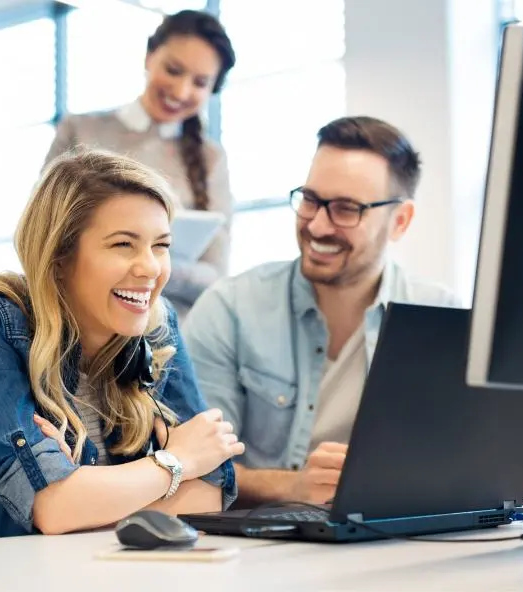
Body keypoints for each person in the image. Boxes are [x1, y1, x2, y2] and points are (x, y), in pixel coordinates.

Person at [0, 148, 242, 545]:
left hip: (82, 572)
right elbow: (54, 508)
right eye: (123, 245)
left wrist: (86, 493)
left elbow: (209, 493)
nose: (150, 267)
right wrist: (175, 461)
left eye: (160, 245)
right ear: (59, 255)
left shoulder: (156, 326)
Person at [181, 116, 459, 507]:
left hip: (399, 542)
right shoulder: (228, 309)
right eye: (310, 200)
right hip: (262, 552)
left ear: (399, 221)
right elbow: (195, 466)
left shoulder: (444, 318)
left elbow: (466, 467)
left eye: (346, 209)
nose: (318, 225)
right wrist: (293, 487)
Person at [43, 10, 236, 316]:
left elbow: (215, 275)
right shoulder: (80, 131)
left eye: (200, 82)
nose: (182, 91)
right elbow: (44, 234)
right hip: (80, 321)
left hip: (170, 333)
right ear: (149, 56)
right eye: (173, 70)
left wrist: (138, 264)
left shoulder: (211, 160)